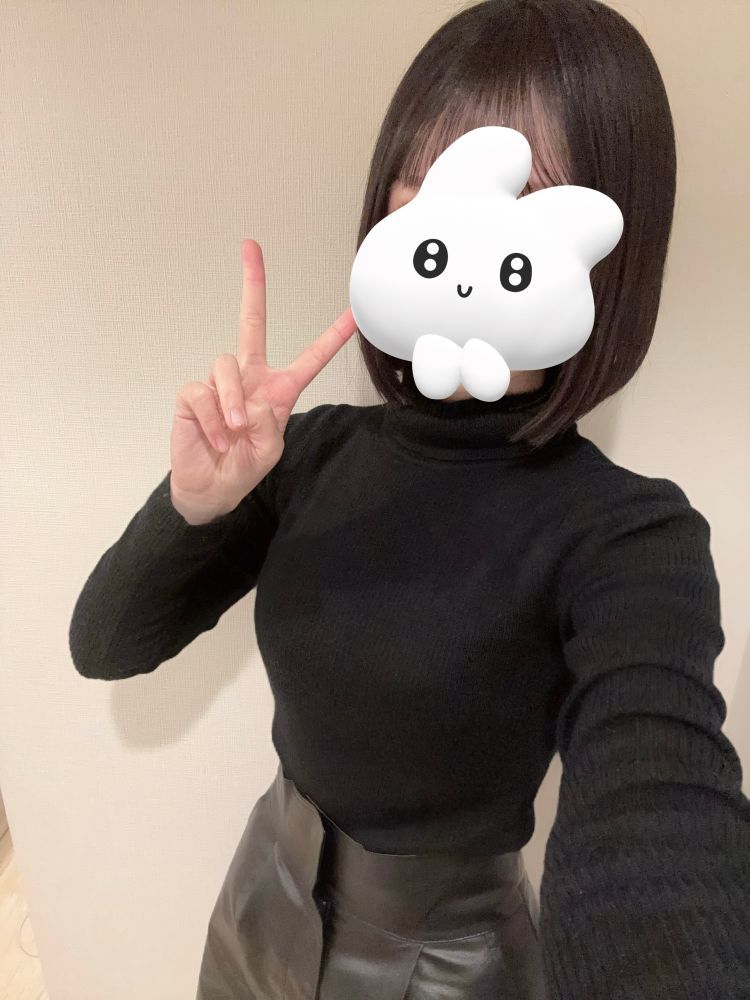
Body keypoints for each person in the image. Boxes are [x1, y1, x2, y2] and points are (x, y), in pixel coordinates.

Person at [69, 1, 750, 998]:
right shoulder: (307, 450)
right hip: (258, 903)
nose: (459, 226)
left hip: (445, 968)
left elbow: (658, 807)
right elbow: (106, 645)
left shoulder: (627, 535)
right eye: (425, 184)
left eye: (528, 193)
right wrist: (196, 503)